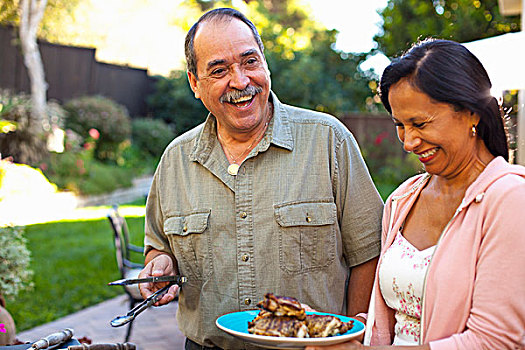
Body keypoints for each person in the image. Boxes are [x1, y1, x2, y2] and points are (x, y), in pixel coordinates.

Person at [137, 7, 384, 350]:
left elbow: (369, 252)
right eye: (219, 70)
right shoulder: (175, 160)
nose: (240, 81)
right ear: (195, 82)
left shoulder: (329, 141)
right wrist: (159, 264)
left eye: (250, 61)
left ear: (265, 63)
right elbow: (158, 247)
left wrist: (354, 330)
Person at [306, 39, 525, 350]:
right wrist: (325, 330)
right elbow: (391, 322)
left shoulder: (509, 199)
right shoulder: (403, 199)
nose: (408, 142)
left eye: (420, 123)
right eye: (400, 125)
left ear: (471, 113)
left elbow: (494, 341)